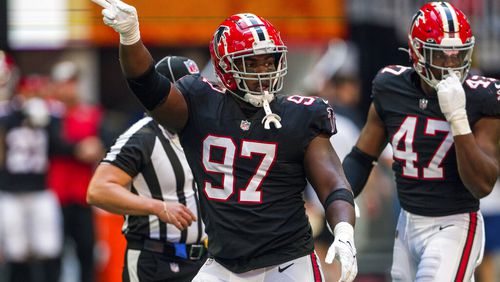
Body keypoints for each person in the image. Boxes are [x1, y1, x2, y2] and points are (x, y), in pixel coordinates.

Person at [92, 0, 358, 281]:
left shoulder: (301, 114)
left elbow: (333, 183)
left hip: (287, 261)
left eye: (269, 60)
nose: (263, 71)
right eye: (251, 63)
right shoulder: (200, 103)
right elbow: (147, 85)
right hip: (223, 263)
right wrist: (131, 36)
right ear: (225, 67)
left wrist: (343, 231)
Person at [341, 2, 500, 281]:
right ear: (416, 53)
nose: (451, 66)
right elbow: (361, 157)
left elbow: (482, 184)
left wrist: (458, 118)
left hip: (455, 223)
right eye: (441, 57)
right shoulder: (390, 87)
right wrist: (336, 203)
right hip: (406, 223)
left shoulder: (480, 98)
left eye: (457, 56)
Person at [87, 55, 207, 282]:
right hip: (154, 260)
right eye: (188, 90)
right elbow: (98, 190)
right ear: (164, 93)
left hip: (203, 261)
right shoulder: (144, 137)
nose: (197, 98)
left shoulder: (202, 132)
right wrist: (157, 207)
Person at [0, 60, 100, 282]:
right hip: (18, 190)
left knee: (50, 248)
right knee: (17, 250)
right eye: (29, 90)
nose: (32, 94)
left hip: (45, 191)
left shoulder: (55, 114)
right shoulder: (9, 113)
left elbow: (63, 142)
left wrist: (81, 147)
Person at [47, 60, 105, 282]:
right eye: (64, 83)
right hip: (55, 194)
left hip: (83, 194)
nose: (69, 89)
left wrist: (97, 147)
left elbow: (104, 142)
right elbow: (52, 144)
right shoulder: (50, 113)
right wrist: (78, 148)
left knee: (86, 251)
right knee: (53, 253)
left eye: (72, 83)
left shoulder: (90, 112)